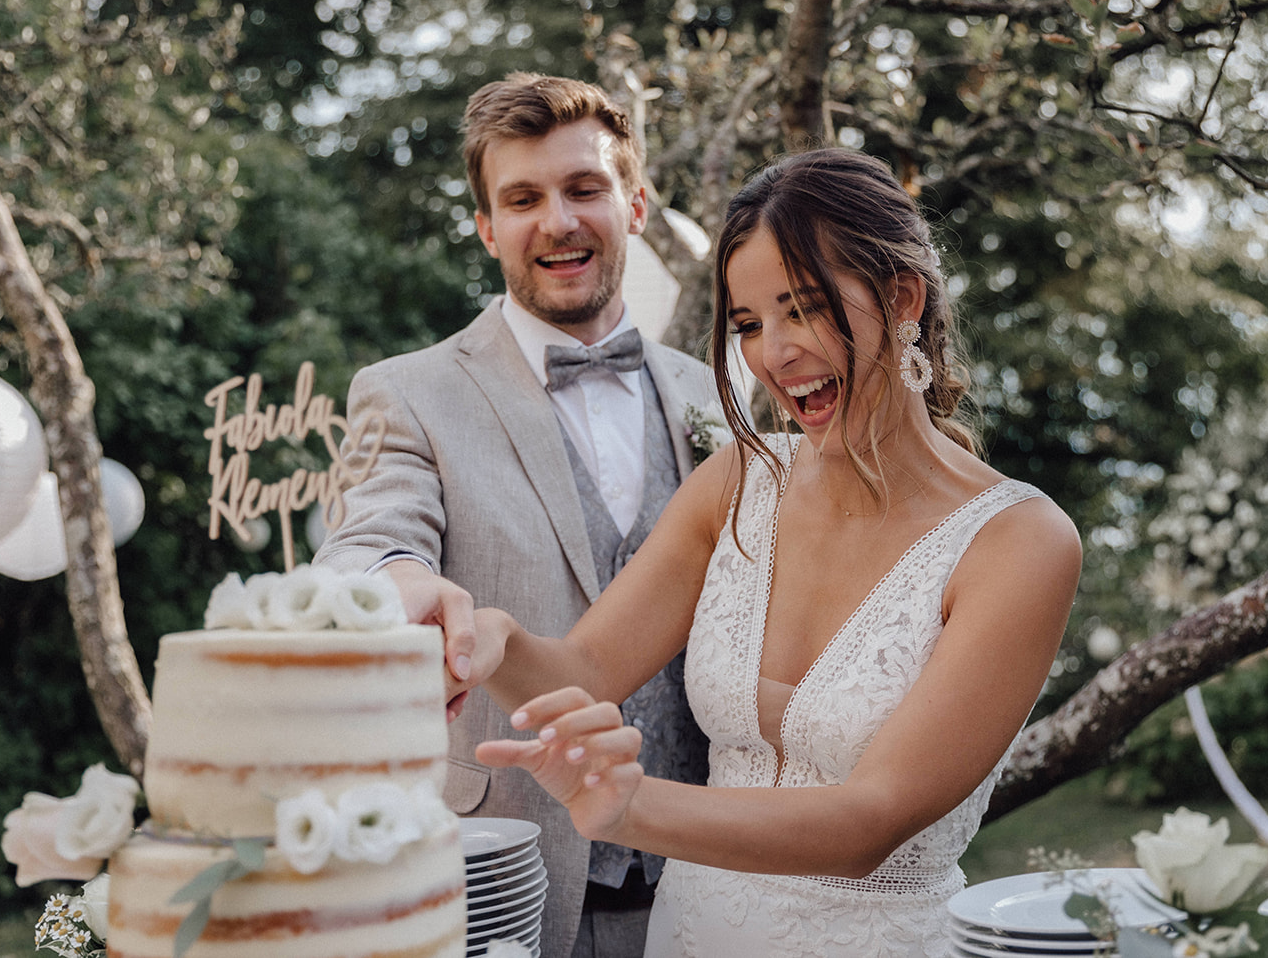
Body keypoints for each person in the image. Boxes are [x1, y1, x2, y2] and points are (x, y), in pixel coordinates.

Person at [454, 148, 1083, 957]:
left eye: (804, 309)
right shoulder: (737, 482)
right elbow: (583, 673)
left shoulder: (1019, 543)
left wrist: (629, 805)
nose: (774, 353)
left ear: (901, 296)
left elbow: (870, 818)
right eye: (749, 324)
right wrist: (491, 637)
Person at [313, 73, 713, 958]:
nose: (558, 222)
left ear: (635, 206)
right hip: (511, 876)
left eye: (584, 189)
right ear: (490, 227)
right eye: (523, 198)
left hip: (711, 877)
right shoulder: (408, 392)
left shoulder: (716, 393)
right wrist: (406, 585)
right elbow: (368, 540)